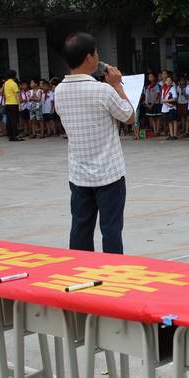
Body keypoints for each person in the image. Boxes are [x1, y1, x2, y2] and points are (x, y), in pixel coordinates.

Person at [54, 32, 134, 254]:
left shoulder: (59, 91)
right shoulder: (102, 90)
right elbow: (128, 116)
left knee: (80, 228)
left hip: (79, 174)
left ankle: (80, 272)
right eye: (97, 52)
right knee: (111, 230)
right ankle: (111, 275)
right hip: (109, 173)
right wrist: (117, 85)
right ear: (89, 57)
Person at [3, 69, 23, 141]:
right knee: (14, 120)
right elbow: (17, 95)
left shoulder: (5, 83)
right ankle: (15, 135)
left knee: (9, 120)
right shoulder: (14, 84)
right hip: (14, 103)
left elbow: (4, 94)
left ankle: (10, 135)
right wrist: (19, 105)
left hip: (7, 103)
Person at [161, 76, 178, 140]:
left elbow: (174, 98)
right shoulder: (163, 89)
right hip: (166, 107)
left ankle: (175, 135)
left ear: (172, 82)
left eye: (170, 80)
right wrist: (167, 103)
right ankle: (171, 134)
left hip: (172, 107)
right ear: (165, 82)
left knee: (174, 120)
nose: (168, 82)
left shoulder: (172, 88)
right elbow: (162, 99)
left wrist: (165, 101)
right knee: (169, 121)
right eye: (167, 80)